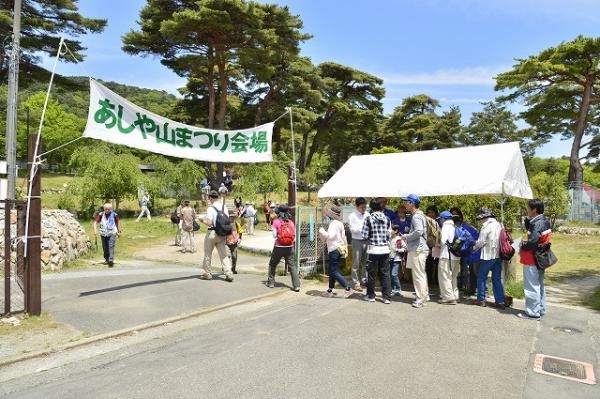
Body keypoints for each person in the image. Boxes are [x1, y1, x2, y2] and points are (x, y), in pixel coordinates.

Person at [517, 199, 552, 321]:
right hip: (540, 258)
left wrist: (521, 245)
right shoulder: (543, 220)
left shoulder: (536, 224)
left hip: (532, 258)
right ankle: (540, 309)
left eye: (528, 208)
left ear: (534, 210)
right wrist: (527, 221)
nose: (527, 210)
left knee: (531, 286)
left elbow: (533, 242)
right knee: (539, 285)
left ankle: (532, 312)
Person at [472, 207, 505, 308]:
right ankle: (500, 302)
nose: (480, 220)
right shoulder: (499, 225)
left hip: (487, 255)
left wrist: (474, 247)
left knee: (481, 277)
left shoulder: (486, 226)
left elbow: (481, 242)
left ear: (485, 217)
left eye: (481, 218)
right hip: (498, 255)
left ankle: (481, 300)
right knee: (497, 279)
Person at [361, 197, 392, 304]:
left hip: (373, 250)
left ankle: (371, 296)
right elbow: (389, 235)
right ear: (382, 207)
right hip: (385, 250)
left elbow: (364, 235)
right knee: (385, 274)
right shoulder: (387, 219)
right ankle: (386, 297)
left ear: (372, 207)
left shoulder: (368, 219)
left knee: (371, 274)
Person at [401, 194, 429, 308]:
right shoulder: (420, 215)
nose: (405, 204)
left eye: (406, 202)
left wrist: (407, 236)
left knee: (418, 275)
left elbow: (418, 231)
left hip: (418, 249)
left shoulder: (416, 216)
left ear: (412, 203)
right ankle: (424, 295)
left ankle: (420, 298)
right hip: (421, 249)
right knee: (421, 274)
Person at [319, 206, 353, 298]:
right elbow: (344, 237)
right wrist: (346, 249)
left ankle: (347, 288)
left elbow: (330, 236)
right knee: (332, 270)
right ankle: (330, 290)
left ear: (331, 215)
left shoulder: (333, 223)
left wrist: (322, 231)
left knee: (333, 271)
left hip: (333, 249)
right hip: (339, 249)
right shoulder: (340, 223)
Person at [200, 190, 234, 282]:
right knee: (223, 255)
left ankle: (207, 273)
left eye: (209, 198)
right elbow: (228, 220)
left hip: (212, 233)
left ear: (210, 198)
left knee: (208, 253)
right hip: (222, 233)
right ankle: (228, 273)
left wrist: (202, 220)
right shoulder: (224, 207)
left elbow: (209, 222)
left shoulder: (211, 208)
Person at [267, 204, 301, 291]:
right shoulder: (291, 223)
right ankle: (296, 285)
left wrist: (280, 237)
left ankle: (271, 283)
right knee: (292, 266)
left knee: (272, 264)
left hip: (278, 247)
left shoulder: (276, 222)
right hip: (289, 247)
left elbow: (274, 235)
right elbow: (294, 236)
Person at [437, 210, 460, 304]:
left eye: (440, 219)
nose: (440, 221)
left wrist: (438, 245)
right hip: (456, 256)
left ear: (443, 218)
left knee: (445, 276)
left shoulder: (446, 227)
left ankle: (448, 297)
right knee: (453, 277)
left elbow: (443, 241)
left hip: (446, 255)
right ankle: (455, 295)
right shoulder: (455, 226)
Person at [348, 197, 369, 291]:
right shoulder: (352, 216)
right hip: (357, 240)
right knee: (356, 262)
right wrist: (362, 229)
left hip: (367, 240)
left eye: (365, 207)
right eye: (362, 207)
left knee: (366, 262)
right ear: (357, 206)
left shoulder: (368, 214)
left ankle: (364, 281)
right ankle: (356, 282)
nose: (364, 209)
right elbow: (352, 229)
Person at [93, 203, 121, 267]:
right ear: (104, 209)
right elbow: (95, 223)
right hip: (103, 233)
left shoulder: (114, 215)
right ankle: (107, 259)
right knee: (105, 248)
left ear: (111, 209)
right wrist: (95, 230)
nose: (107, 210)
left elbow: (118, 222)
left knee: (111, 246)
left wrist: (119, 231)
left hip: (112, 233)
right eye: (106, 209)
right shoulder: (101, 214)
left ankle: (111, 260)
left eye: (109, 209)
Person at [389, 225, 406, 296]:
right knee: (391, 274)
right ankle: (393, 289)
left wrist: (397, 250)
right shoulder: (389, 238)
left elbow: (405, 248)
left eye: (391, 229)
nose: (389, 231)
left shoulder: (399, 239)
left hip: (396, 259)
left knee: (394, 274)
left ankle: (398, 289)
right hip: (389, 258)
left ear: (395, 231)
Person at [226, 210, 244, 274]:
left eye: (233, 217)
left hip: (234, 243)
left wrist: (240, 238)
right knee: (227, 256)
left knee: (234, 256)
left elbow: (240, 231)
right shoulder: (225, 224)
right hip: (226, 243)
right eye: (230, 217)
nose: (232, 218)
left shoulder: (237, 224)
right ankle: (226, 269)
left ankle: (233, 268)